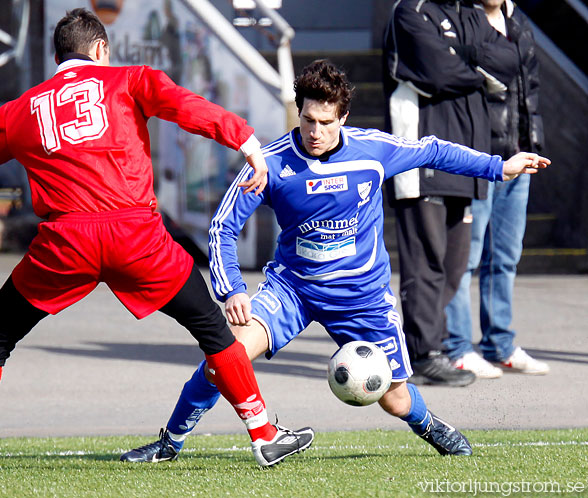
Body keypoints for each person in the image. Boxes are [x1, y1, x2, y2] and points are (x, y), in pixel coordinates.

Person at [0, 8, 314, 474]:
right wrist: (245, 141)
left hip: (66, 243)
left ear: (57, 57)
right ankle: (263, 435)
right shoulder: (129, 79)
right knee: (212, 331)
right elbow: (187, 107)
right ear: (101, 49)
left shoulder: (21, 109)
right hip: (138, 238)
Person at [118, 60, 549, 463]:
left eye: (326, 122)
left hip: (361, 296)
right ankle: (168, 442)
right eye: (307, 120)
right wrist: (231, 287)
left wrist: (498, 167)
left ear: (343, 118)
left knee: (396, 400)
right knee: (225, 355)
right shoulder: (270, 163)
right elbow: (223, 227)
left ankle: (432, 425)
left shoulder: (372, 151)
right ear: (298, 113)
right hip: (294, 290)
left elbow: (433, 150)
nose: (315, 131)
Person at [383, 0, 521, 386]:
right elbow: (438, 72)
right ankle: (423, 352)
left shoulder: (471, 12)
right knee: (425, 260)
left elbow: (509, 61)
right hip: (420, 159)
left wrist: (463, 56)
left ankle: (433, 343)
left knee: (455, 264)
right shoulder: (410, 10)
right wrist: (477, 64)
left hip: (467, 160)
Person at [444, 0, 549, 378]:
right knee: (466, 257)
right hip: (481, 158)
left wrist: (532, 144)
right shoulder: (461, 22)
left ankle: (499, 344)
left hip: (518, 156)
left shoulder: (518, 23)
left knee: (504, 256)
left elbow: (529, 90)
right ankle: (456, 346)